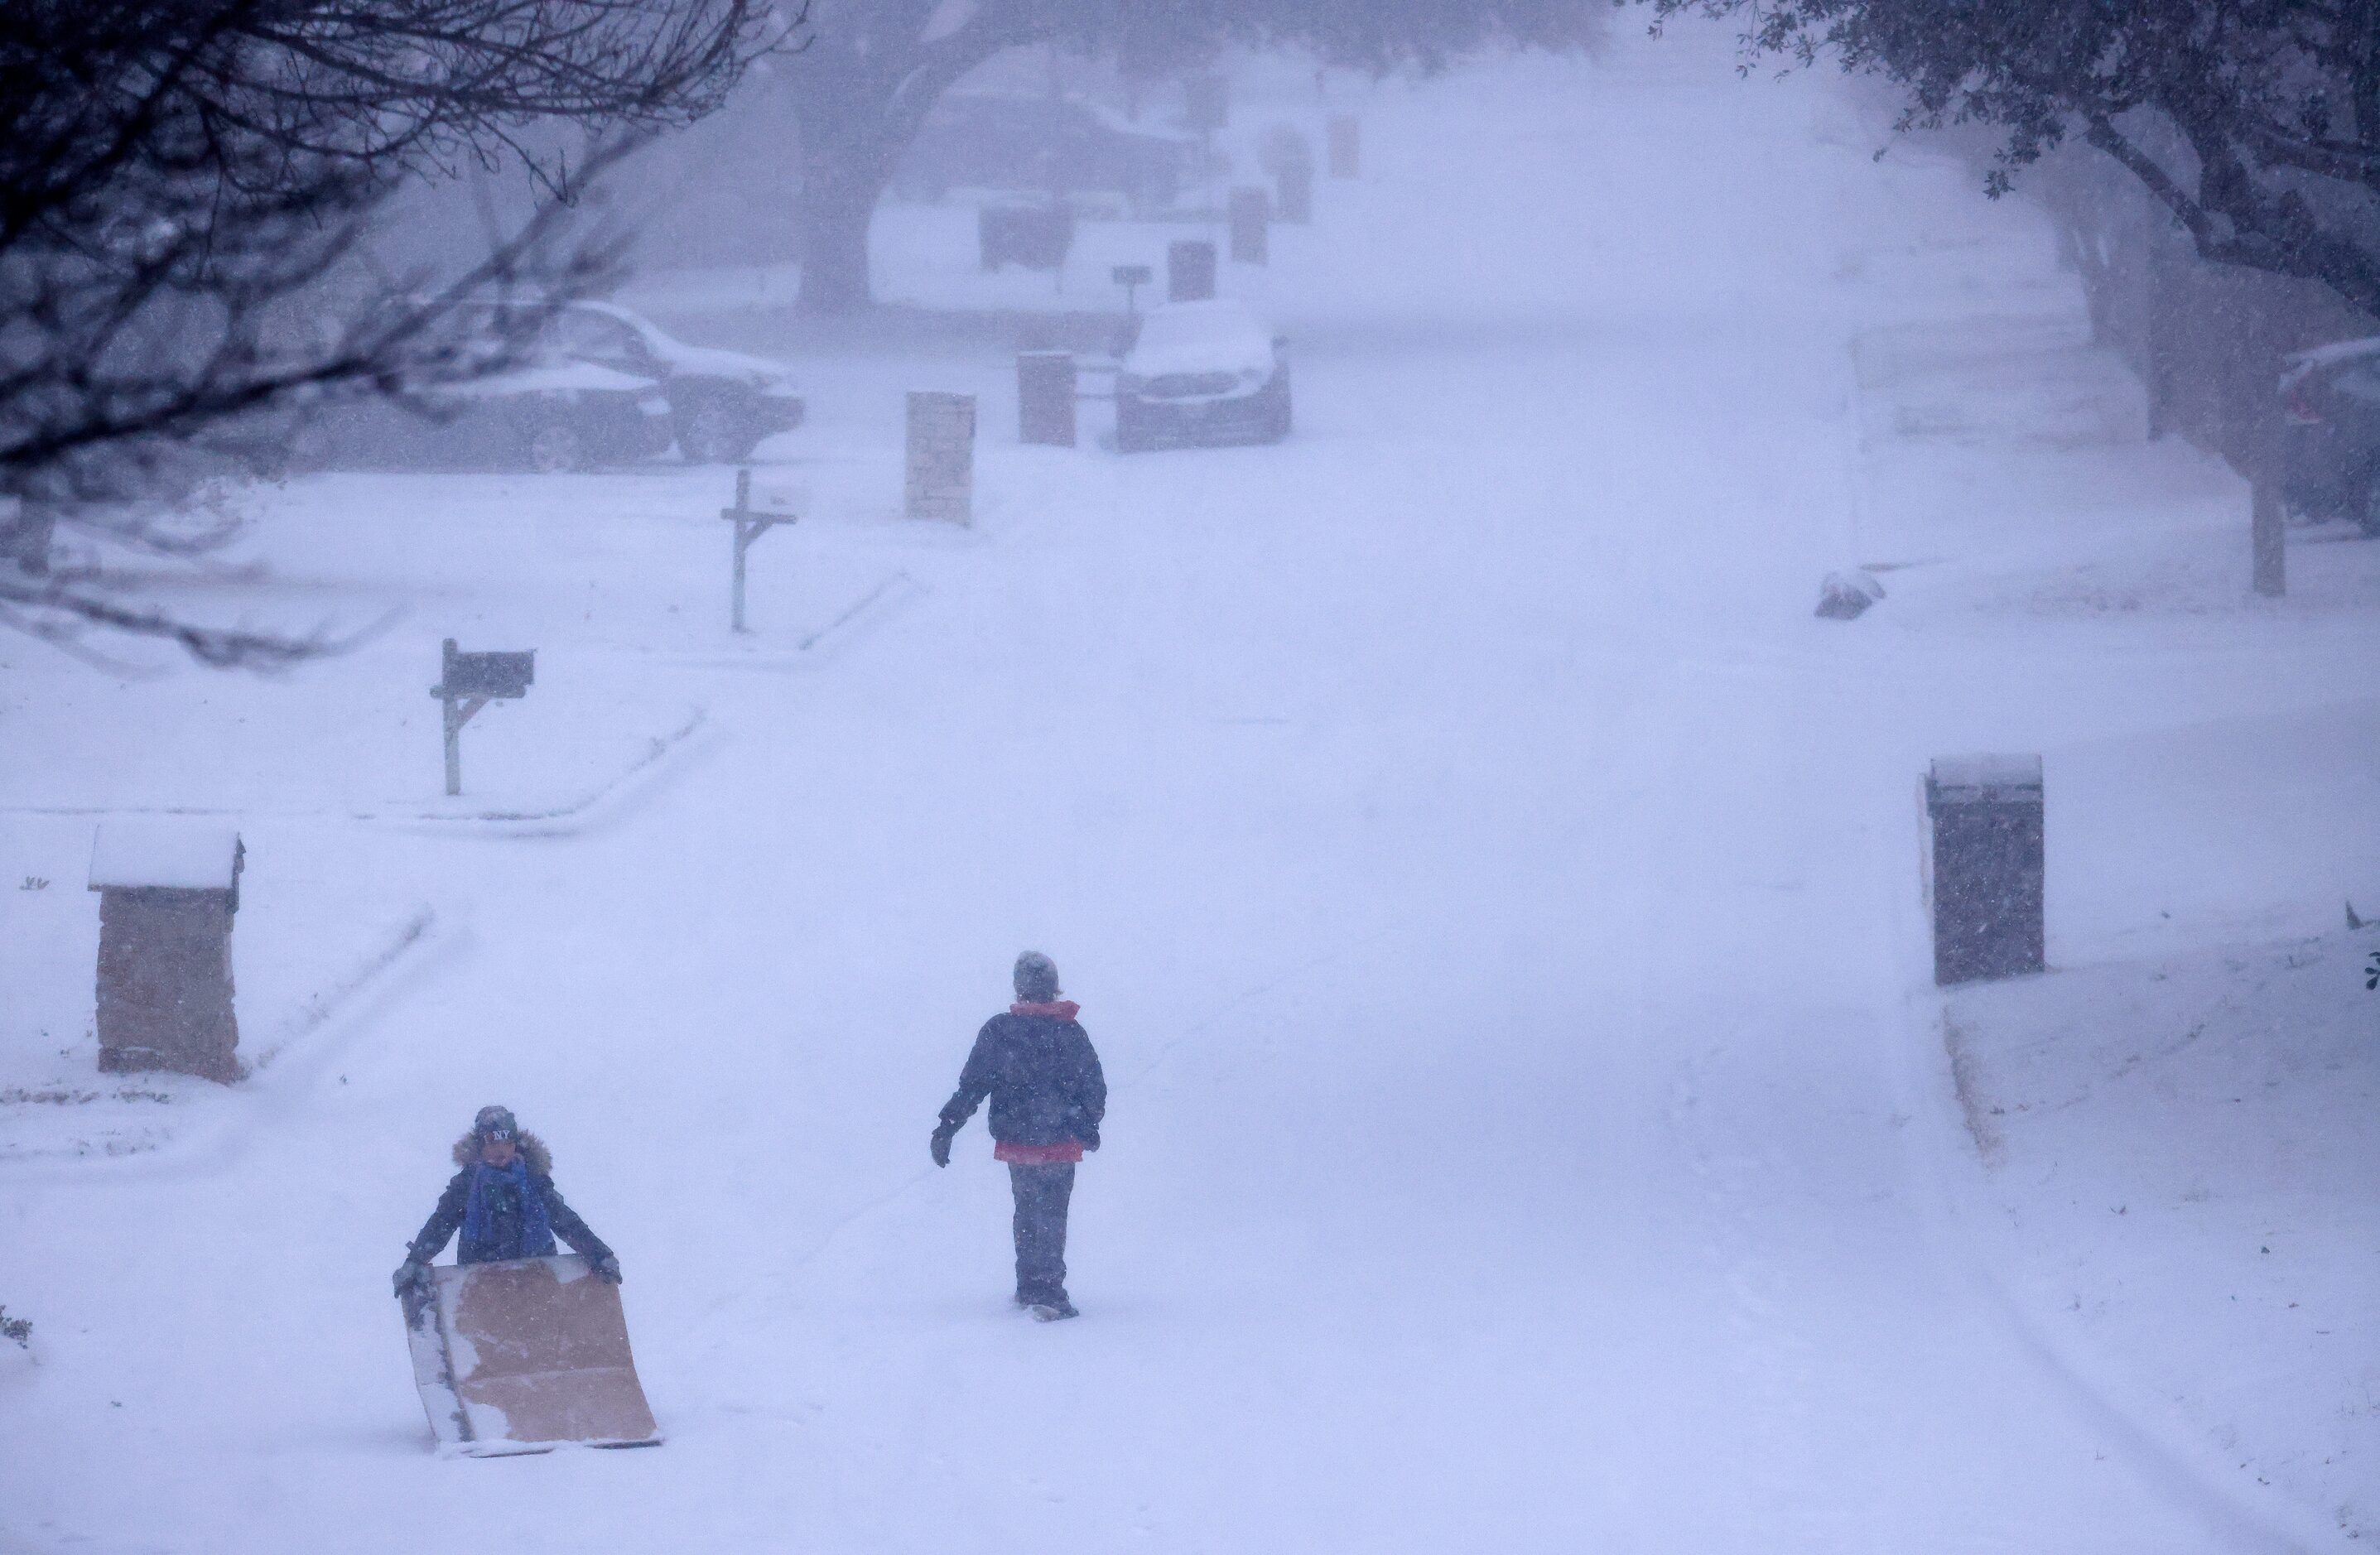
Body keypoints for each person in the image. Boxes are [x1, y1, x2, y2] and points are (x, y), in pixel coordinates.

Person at [932, 952, 1106, 1320]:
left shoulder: (999, 1031)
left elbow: (972, 1087)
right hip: (1060, 1142)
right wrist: (1088, 1123)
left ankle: (1030, 1285)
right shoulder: (1070, 1032)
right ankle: (1050, 1292)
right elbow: (1094, 1086)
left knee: (1027, 1212)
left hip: (1019, 1142)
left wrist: (947, 1128)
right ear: (1054, 989)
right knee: (1053, 1216)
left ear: (1019, 988)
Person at [392, 1105, 620, 1297]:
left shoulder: (533, 1179)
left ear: (515, 1143)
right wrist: (415, 1261)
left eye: (507, 1141)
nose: (501, 1151)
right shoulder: (468, 1184)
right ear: (480, 1145)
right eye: (492, 1142)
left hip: (537, 1280)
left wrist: (599, 1255)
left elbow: (564, 1220)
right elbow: (441, 1224)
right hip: (481, 1284)